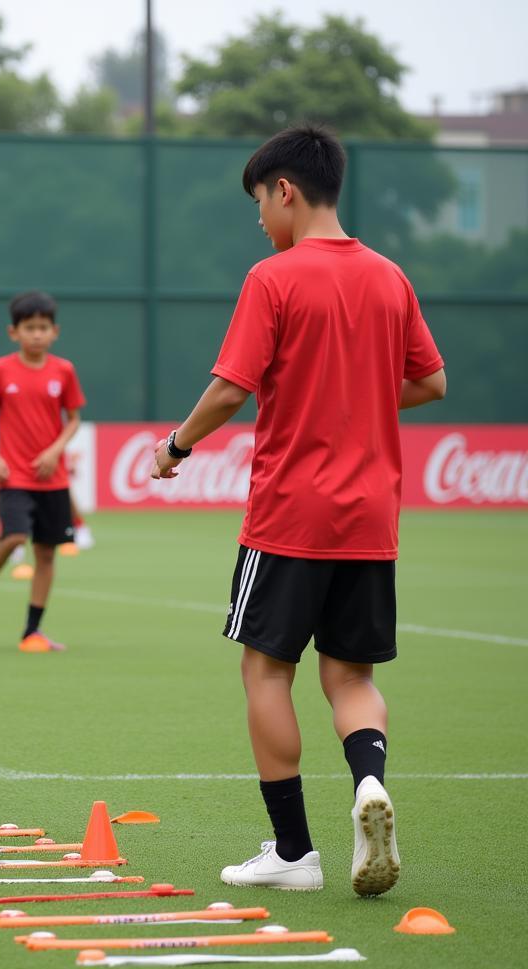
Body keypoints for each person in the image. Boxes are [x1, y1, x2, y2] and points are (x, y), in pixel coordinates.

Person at [152, 124, 445, 897]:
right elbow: (431, 381)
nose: (259, 219)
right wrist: (357, 395)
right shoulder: (390, 277)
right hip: (371, 518)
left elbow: (228, 388)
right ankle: (367, 783)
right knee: (349, 675)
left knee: (265, 670)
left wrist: (175, 446)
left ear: (285, 190)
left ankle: (292, 853)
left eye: (259, 201)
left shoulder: (274, 277)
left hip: (290, 514)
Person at [0, 291, 85, 651]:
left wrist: (55, 450)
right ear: (13, 332)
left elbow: (74, 419)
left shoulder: (63, 371)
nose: (37, 334)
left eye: (43, 327)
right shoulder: (0, 370)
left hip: (53, 479)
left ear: (55, 331)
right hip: (12, 476)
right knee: (15, 537)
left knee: (46, 555)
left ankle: (32, 630)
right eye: (29, 328)